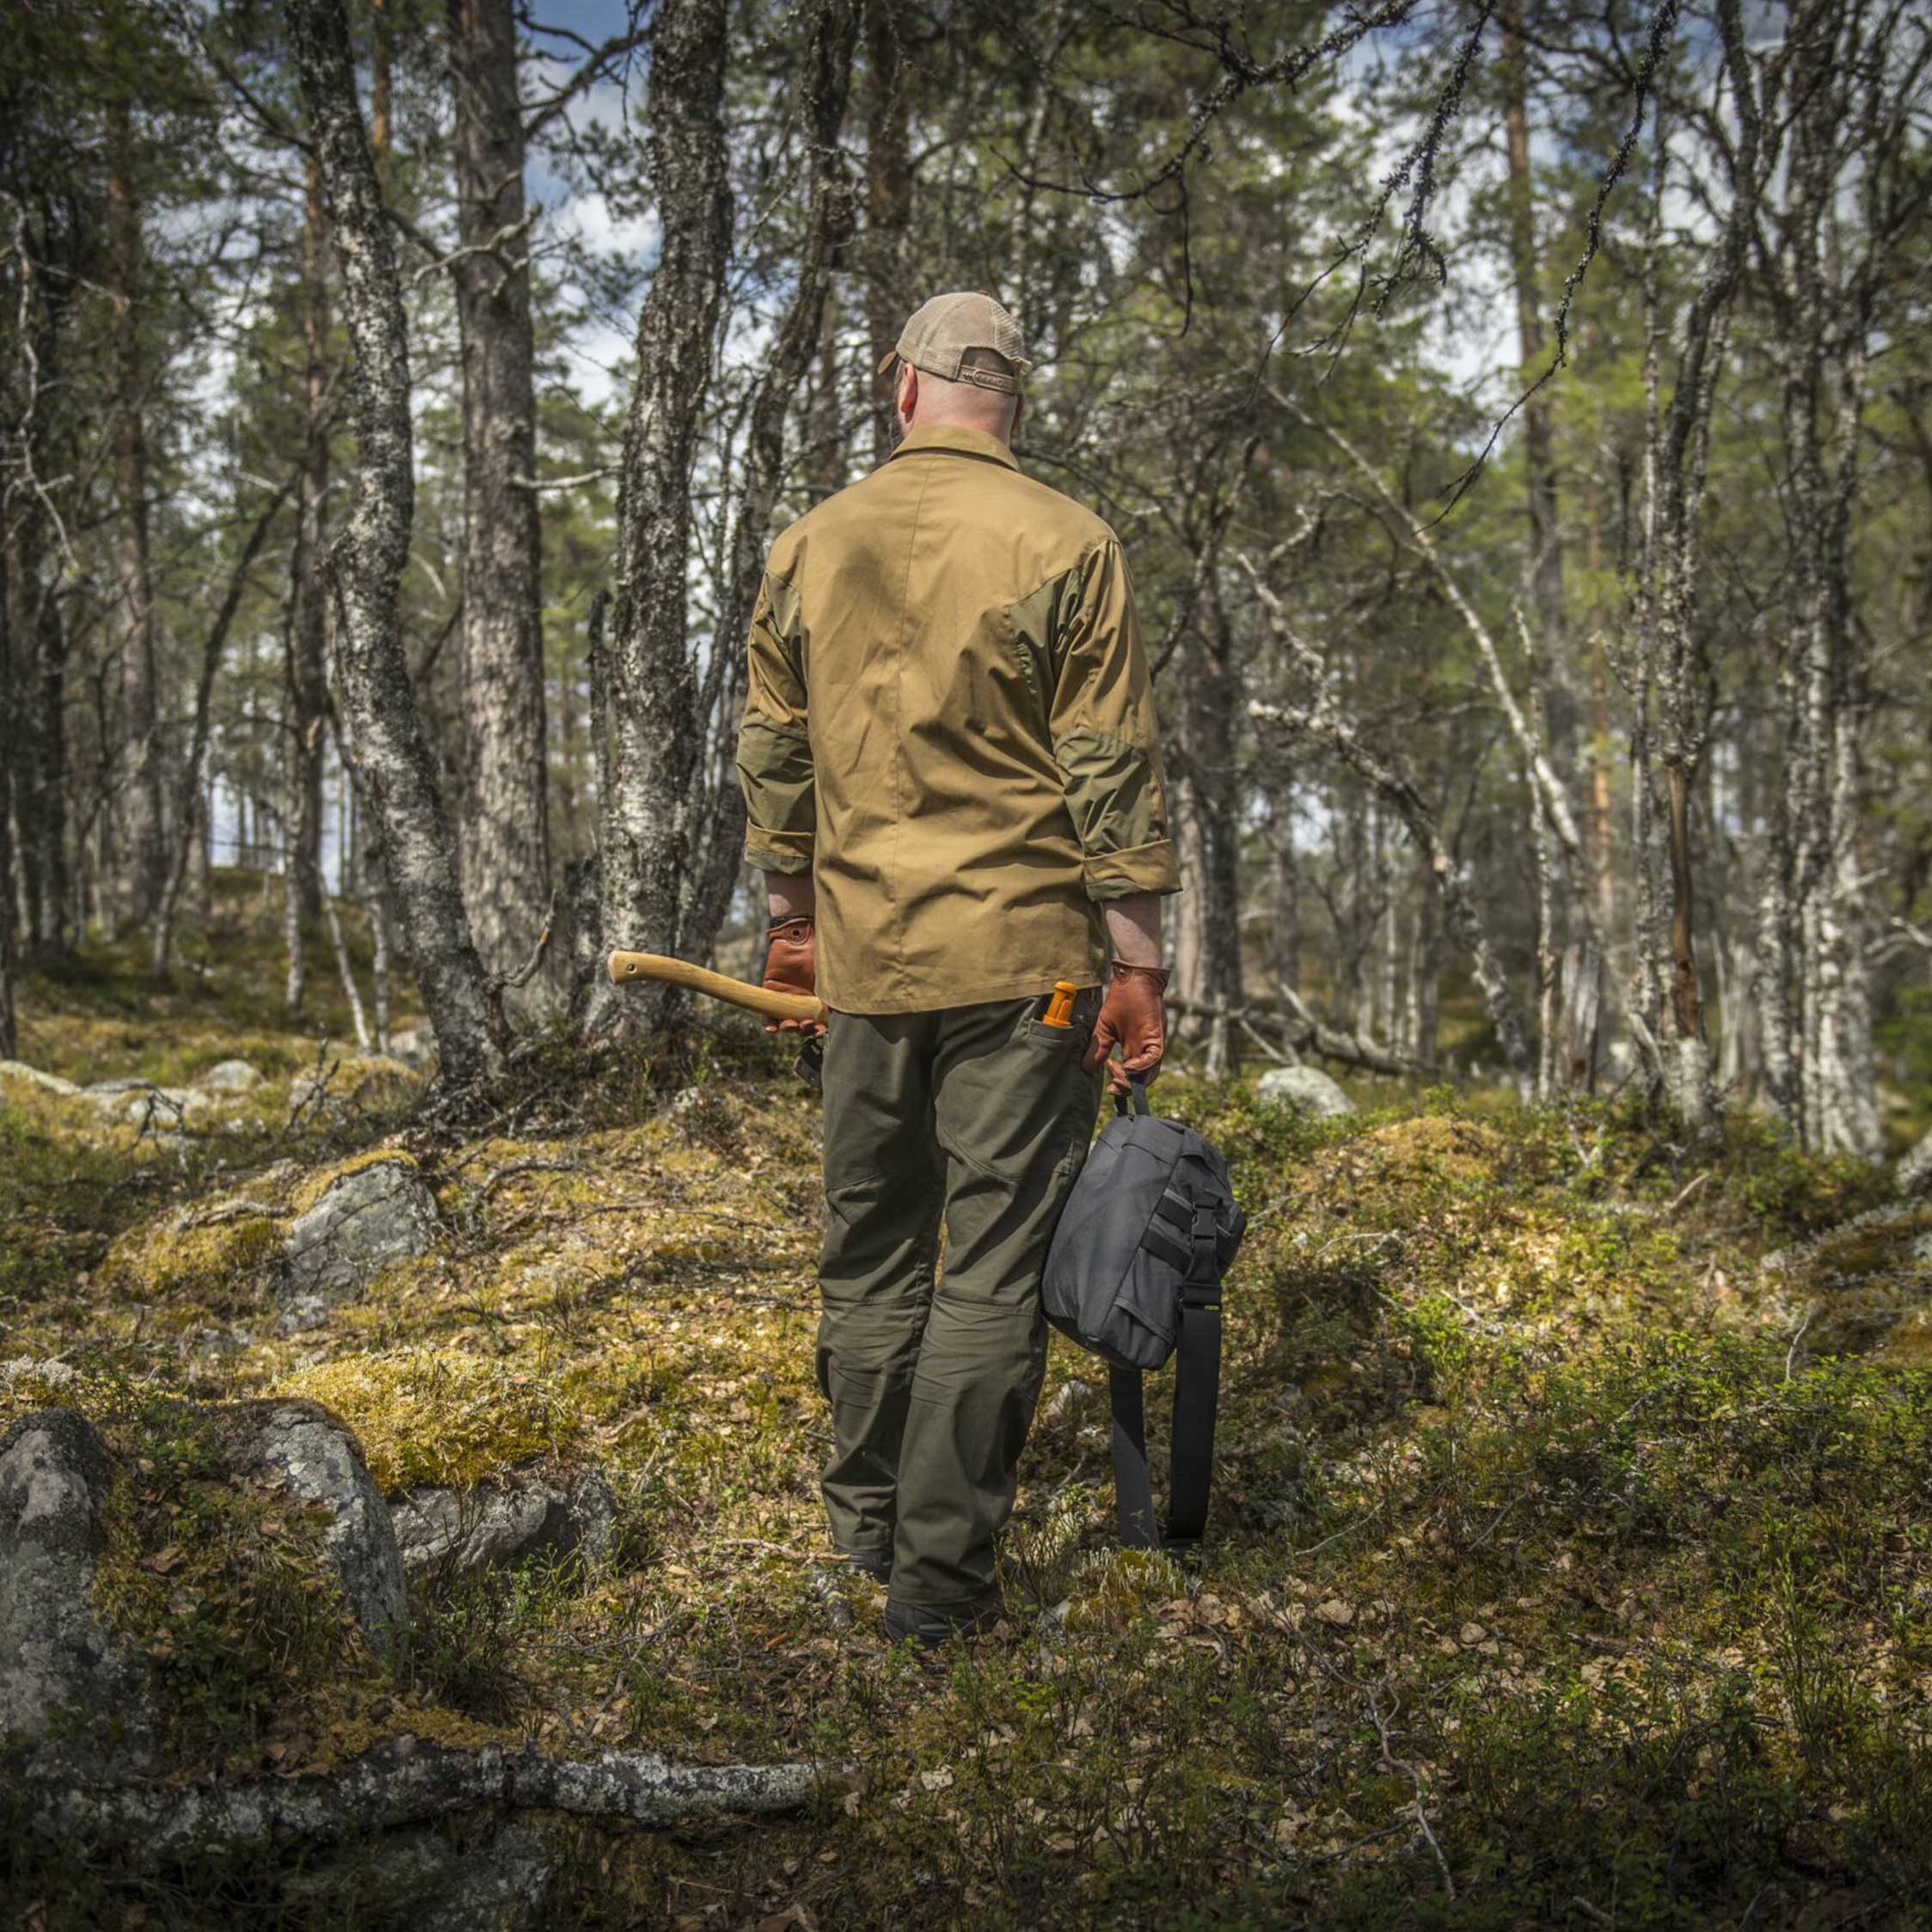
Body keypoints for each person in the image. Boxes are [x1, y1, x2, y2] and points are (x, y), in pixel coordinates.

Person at [735, 291, 1180, 1646]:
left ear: (902, 387)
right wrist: (1140, 960)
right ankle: (939, 1592)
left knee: (868, 1253)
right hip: (1025, 966)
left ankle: (862, 1539)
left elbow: (774, 751)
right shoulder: (1068, 538)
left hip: (866, 962)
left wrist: (795, 919)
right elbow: (1109, 762)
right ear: (1015, 405)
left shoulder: (810, 543)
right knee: (988, 1271)